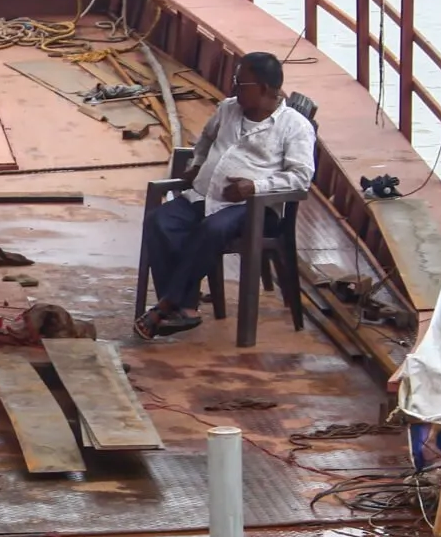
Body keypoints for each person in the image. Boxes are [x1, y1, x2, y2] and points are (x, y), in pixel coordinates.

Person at [135, 50, 317, 340]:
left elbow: (301, 177)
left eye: (242, 85)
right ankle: (186, 307)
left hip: (254, 208)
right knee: (160, 221)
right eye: (235, 82)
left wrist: (254, 187)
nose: (234, 90)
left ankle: (168, 304)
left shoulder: (294, 127)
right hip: (204, 196)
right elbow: (205, 139)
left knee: (212, 229)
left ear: (267, 90)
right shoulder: (228, 109)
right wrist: (196, 164)